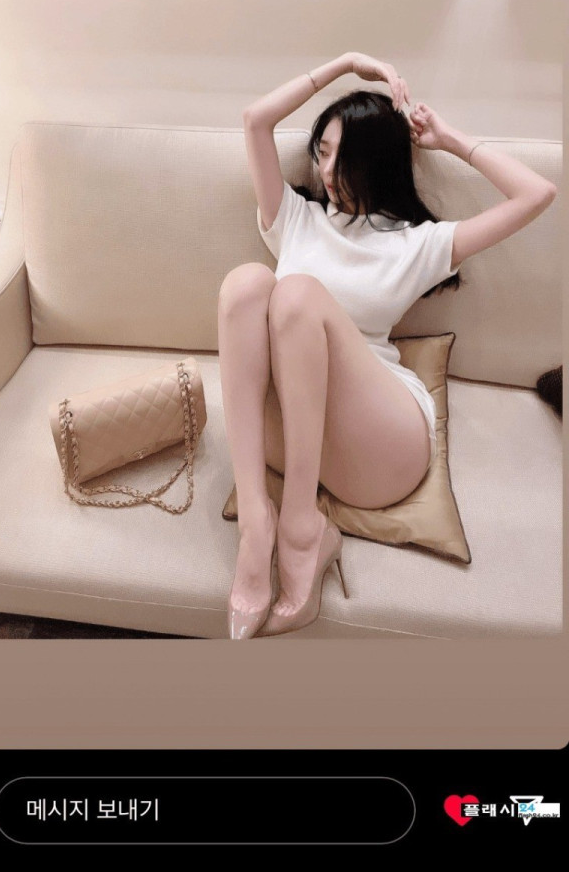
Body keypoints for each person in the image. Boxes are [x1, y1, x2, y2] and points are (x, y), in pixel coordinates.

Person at [218, 51, 557, 638]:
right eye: (323, 152)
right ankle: (257, 523)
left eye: (345, 157)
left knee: (294, 294)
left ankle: (301, 527)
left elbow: (538, 194)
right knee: (246, 284)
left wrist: (449, 140)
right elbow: (255, 120)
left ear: (378, 163)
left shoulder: (416, 244)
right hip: (293, 434)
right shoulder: (294, 219)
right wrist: (347, 63)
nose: (328, 171)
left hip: (380, 446)